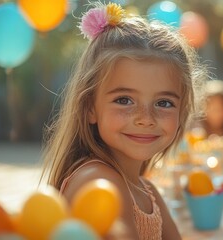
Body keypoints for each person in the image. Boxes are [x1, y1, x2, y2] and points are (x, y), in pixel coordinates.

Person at [40, 3, 206, 239]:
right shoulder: (99, 183)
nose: (145, 119)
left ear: (182, 111)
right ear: (89, 108)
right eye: (125, 100)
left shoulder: (147, 191)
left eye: (164, 103)